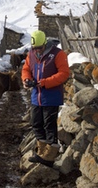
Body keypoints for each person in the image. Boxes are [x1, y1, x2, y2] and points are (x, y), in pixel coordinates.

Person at [21, 30, 70, 167]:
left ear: (45, 43)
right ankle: (42, 152)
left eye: (39, 48)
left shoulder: (57, 54)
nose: (36, 51)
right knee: (36, 123)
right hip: (37, 96)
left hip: (51, 96)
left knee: (49, 125)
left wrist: (44, 82)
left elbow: (64, 73)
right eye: (34, 48)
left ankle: (50, 156)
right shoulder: (31, 54)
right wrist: (26, 79)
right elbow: (26, 69)